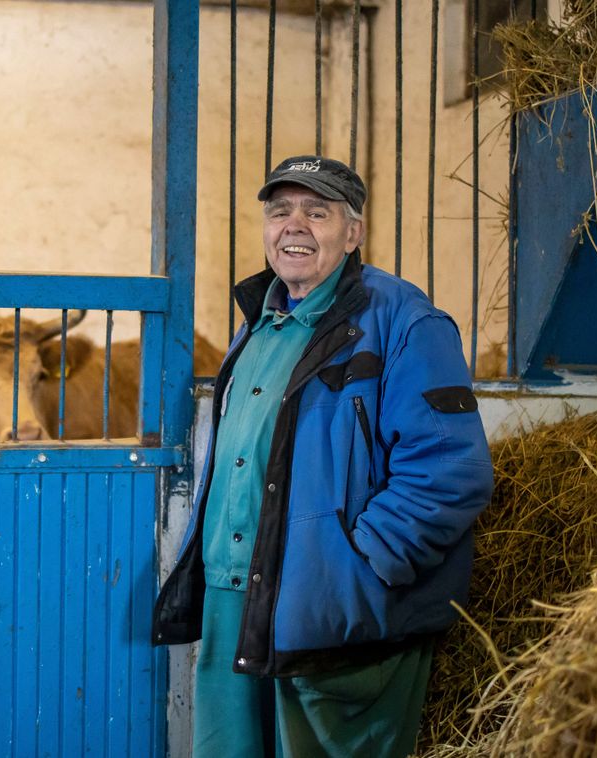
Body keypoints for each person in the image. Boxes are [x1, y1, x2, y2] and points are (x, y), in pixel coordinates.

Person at [153, 155, 494, 757]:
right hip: (235, 602)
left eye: (317, 212)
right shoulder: (259, 324)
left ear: (353, 232)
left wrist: (358, 569)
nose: (294, 226)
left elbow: (451, 470)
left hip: (334, 610)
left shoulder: (404, 320)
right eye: (280, 212)